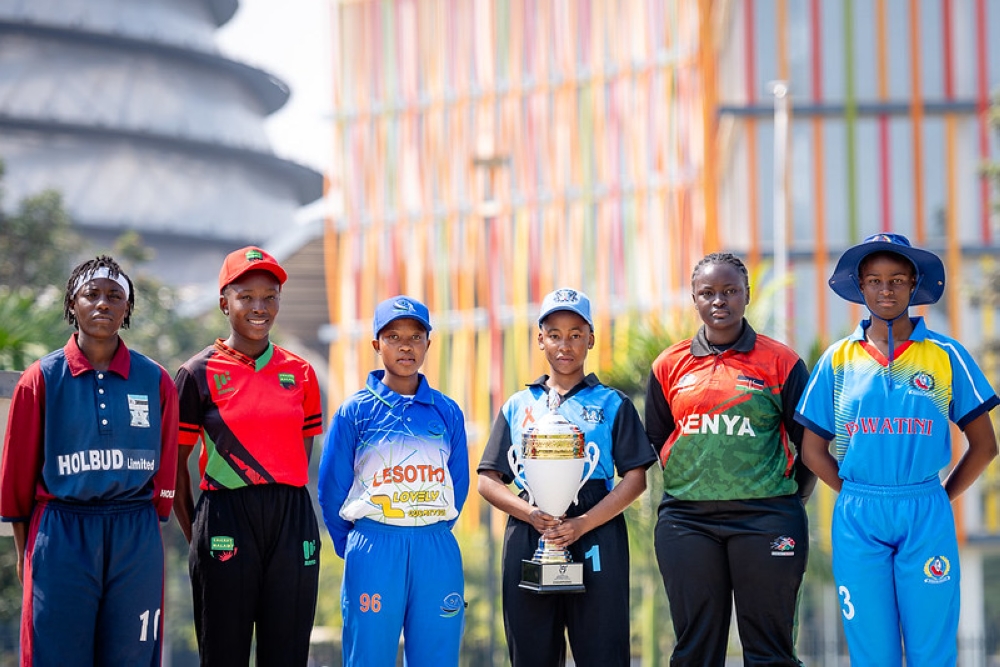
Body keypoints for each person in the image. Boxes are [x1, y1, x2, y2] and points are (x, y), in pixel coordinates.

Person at [795, 233, 999, 666]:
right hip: (859, 514)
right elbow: (812, 450)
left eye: (896, 280)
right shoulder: (838, 359)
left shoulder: (946, 355)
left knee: (932, 650)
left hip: (925, 507)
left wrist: (939, 497)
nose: (885, 290)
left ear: (913, 284)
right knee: (873, 652)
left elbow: (984, 446)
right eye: (874, 280)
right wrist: (854, 490)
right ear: (860, 286)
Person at [0, 255, 178, 666]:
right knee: (56, 655)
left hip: (135, 532)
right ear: (72, 304)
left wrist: (152, 528)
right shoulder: (41, 378)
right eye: (91, 294)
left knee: (131, 656)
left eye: (115, 296)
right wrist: (26, 554)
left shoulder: (155, 379)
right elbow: (16, 477)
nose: (103, 303)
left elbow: (166, 469)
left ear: (127, 308)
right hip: (60, 532)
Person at [645, 252, 813, 667]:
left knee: (770, 650)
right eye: (708, 293)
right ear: (694, 299)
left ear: (747, 295)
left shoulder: (782, 362)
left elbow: (808, 447)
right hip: (687, 522)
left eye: (730, 291)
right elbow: (658, 438)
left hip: (767, 517)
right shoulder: (670, 364)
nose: (719, 301)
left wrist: (788, 503)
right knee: (695, 650)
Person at [477, 287, 656, 667]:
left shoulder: (612, 403)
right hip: (531, 529)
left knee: (603, 651)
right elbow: (488, 480)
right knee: (531, 651)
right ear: (539, 338)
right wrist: (530, 515)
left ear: (591, 338)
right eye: (554, 334)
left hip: (595, 527)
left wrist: (582, 524)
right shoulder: (518, 405)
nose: (565, 344)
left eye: (576, 334)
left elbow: (636, 477)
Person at [173, 246, 324, 667]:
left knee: (288, 651)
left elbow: (300, 452)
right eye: (246, 296)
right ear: (225, 302)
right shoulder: (196, 373)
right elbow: (175, 466)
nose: (260, 307)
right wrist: (197, 534)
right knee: (224, 652)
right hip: (224, 515)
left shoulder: (302, 372)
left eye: (270, 296)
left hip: (291, 516)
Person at [317, 295, 469, 667]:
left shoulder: (447, 411)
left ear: (428, 345)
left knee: (437, 655)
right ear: (376, 344)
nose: (406, 345)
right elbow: (331, 488)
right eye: (393, 336)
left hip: (435, 545)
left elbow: (459, 484)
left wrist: (428, 528)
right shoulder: (355, 411)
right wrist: (355, 544)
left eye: (416, 337)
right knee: (369, 656)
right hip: (374, 544)